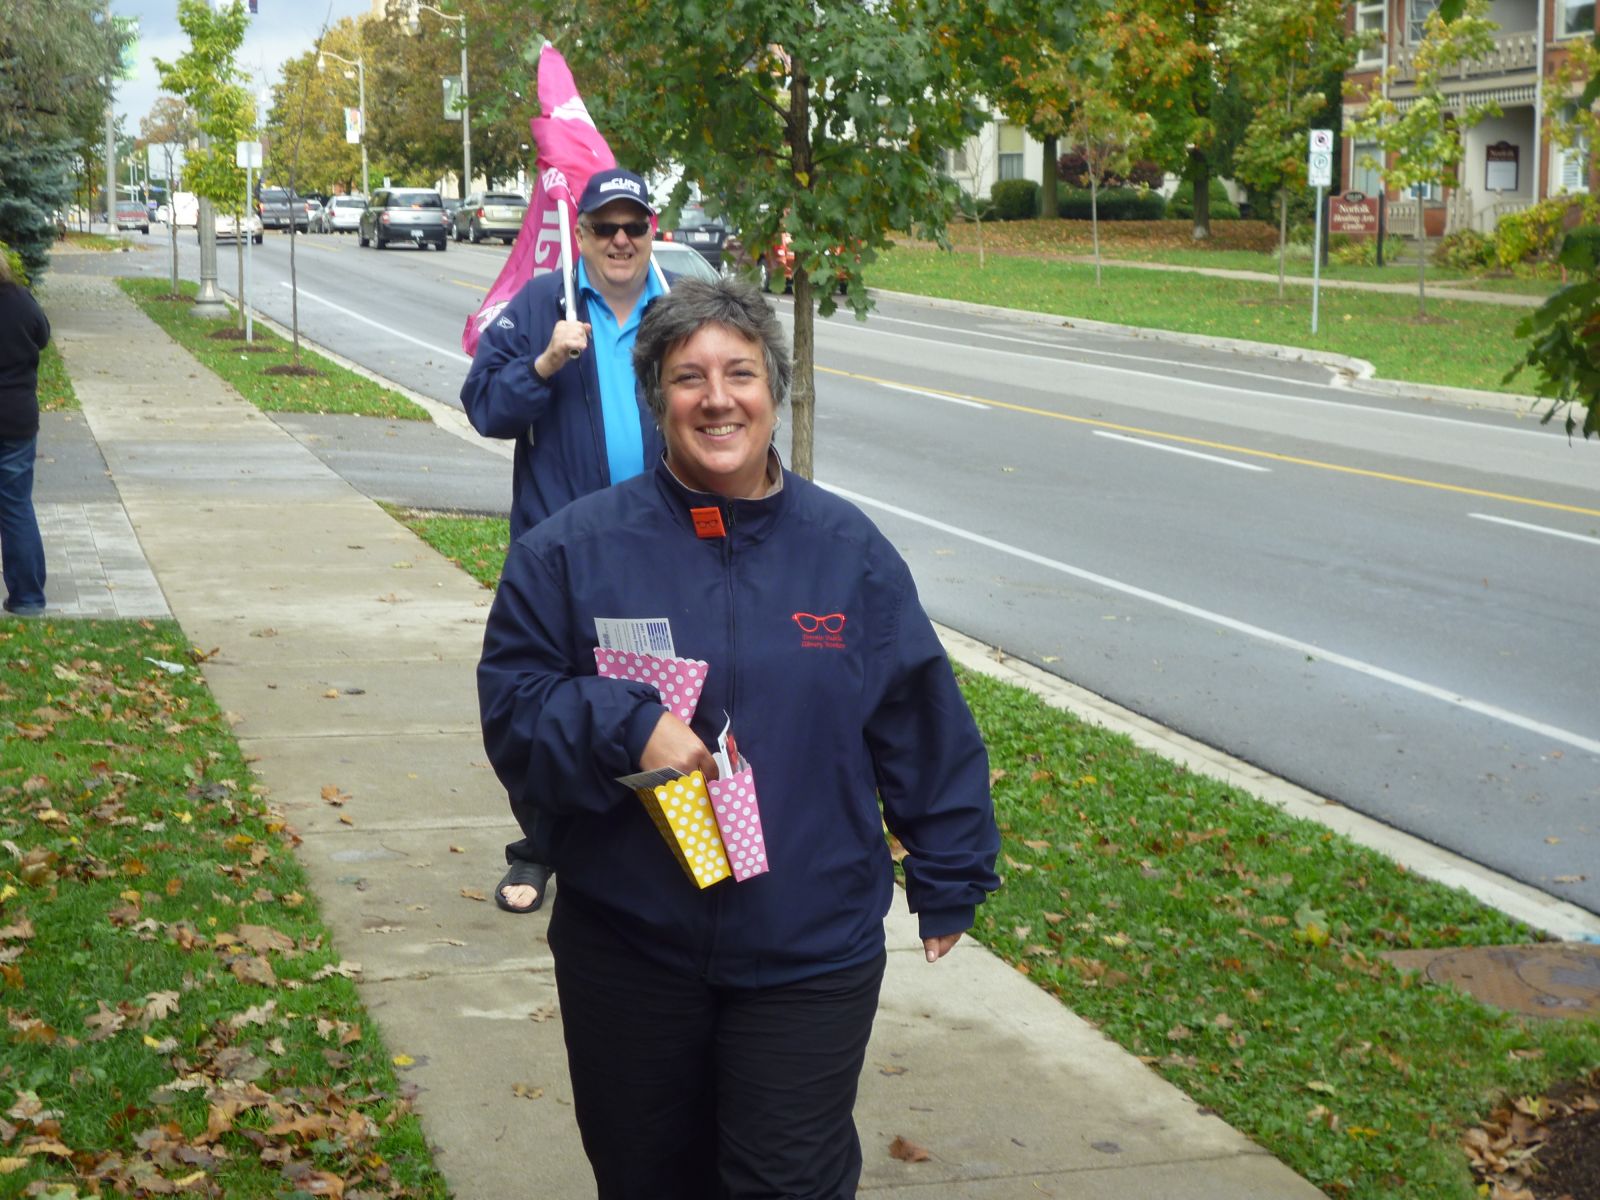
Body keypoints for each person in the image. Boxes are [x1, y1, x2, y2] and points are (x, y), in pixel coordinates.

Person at [477, 277, 1001, 1199]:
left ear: (775, 391)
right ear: (656, 397)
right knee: (649, 1179)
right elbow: (513, 711)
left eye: (741, 374)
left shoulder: (849, 553)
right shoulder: (569, 552)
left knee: (787, 1181)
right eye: (688, 377)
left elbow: (918, 715)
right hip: (629, 944)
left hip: (807, 945)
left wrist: (949, 870)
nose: (717, 398)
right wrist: (627, 724)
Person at [461, 167, 671, 915]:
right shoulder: (541, 306)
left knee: (658, 704)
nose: (620, 240)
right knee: (548, 706)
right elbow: (484, 406)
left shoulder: (677, 312)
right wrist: (546, 363)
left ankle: (663, 846)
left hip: (658, 550)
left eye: (633, 226)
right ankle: (541, 848)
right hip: (559, 556)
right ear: (578, 234)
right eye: (604, 227)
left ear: (652, 233)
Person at [0, 252, 51, 619]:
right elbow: (43, 336)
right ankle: (28, 598)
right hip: (16, 416)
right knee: (16, 505)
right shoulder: (21, 299)